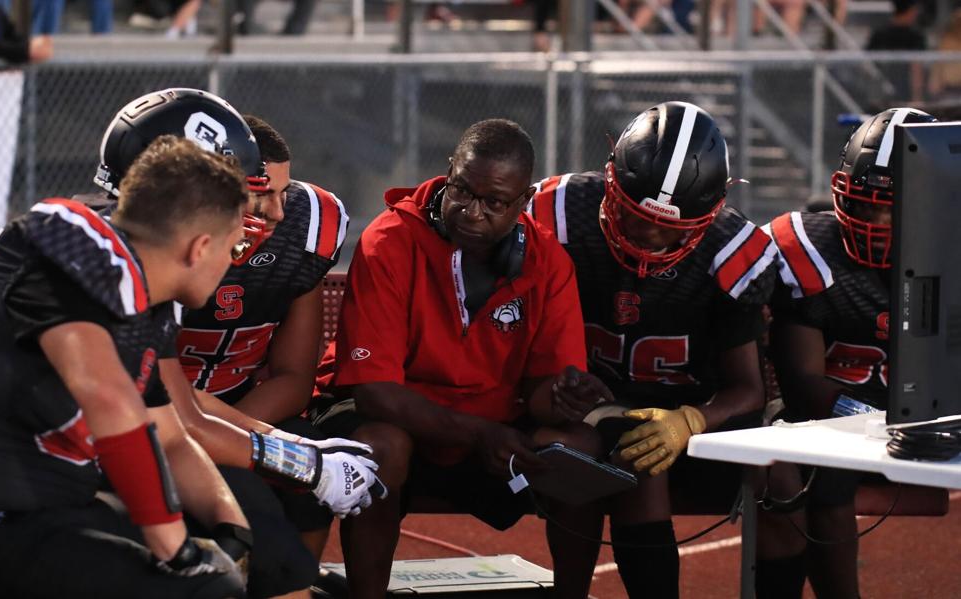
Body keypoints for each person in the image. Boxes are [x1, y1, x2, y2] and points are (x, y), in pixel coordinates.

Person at [83, 87, 386, 597]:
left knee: (267, 557)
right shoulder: (103, 266)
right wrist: (305, 465)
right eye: (245, 192)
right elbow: (177, 426)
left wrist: (288, 458)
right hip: (29, 488)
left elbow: (181, 420)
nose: (268, 215)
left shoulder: (123, 250)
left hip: (122, 445)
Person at [0, 135, 253, 598]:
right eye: (234, 248)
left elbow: (169, 439)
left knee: (235, 555)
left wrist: (233, 533)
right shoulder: (72, 242)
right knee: (207, 587)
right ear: (200, 247)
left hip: (40, 508)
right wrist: (176, 549)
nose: (231, 263)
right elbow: (105, 395)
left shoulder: (143, 311)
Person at [312, 118, 612, 599]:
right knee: (378, 446)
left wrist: (561, 398)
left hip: (496, 428)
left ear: (523, 200)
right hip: (400, 417)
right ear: (450, 170)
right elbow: (374, 393)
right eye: (463, 191)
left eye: (494, 203)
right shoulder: (388, 240)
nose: (473, 213)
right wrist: (481, 434)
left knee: (576, 447)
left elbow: (540, 388)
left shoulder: (547, 260)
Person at [530, 101, 805, 599]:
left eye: (670, 228)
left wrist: (690, 420)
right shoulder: (561, 211)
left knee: (778, 478)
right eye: (634, 216)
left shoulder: (732, 252)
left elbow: (748, 388)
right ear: (610, 183)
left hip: (692, 407)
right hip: (588, 403)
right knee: (616, 456)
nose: (648, 235)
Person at [767, 107, 936, 599]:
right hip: (837, 418)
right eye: (866, 204)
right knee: (824, 473)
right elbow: (802, 383)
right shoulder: (809, 249)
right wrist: (866, 418)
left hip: (934, 418)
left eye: (894, 207)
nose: (877, 222)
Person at [173, 114, 347, 560]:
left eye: (284, 192)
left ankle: (298, 578)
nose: (278, 213)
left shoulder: (306, 230)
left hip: (238, 402)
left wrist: (238, 436)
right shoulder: (156, 244)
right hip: (159, 410)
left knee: (309, 473)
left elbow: (293, 377)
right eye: (262, 193)